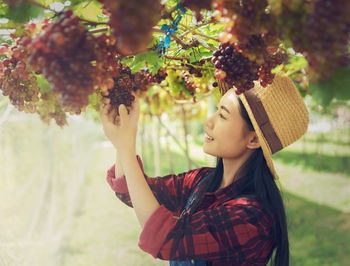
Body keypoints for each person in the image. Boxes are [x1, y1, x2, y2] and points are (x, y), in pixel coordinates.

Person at [101, 74, 309, 266]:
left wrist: (127, 150)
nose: (208, 121)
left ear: (253, 139)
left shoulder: (251, 218)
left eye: (223, 115)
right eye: (217, 110)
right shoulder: (203, 180)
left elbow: (165, 239)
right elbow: (132, 191)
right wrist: (123, 139)